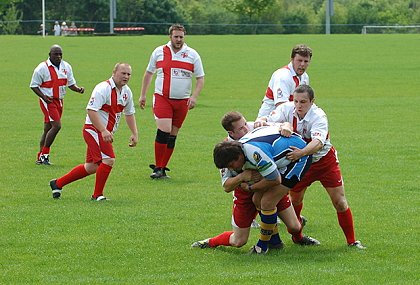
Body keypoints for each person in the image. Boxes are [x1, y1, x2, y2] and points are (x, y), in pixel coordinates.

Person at [192, 112, 319, 254]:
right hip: (244, 192)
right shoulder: (225, 152)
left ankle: (278, 242)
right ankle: (210, 242)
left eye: (245, 124)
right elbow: (226, 186)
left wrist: (287, 126)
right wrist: (243, 177)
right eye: (241, 128)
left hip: (270, 180)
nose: (246, 129)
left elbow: (281, 127)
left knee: (292, 224)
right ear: (231, 133)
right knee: (238, 240)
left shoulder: (252, 136)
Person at [262, 84, 366, 249]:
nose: (298, 105)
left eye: (303, 102)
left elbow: (318, 143)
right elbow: (266, 122)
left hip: (324, 162)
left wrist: (301, 153)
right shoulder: (286, 109)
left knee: (339, 201)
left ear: (312, 102)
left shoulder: (318, 116)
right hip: (302, 164)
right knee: (295, 199)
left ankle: (352, 241)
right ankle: (298, 237)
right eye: (296, 101)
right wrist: (275, 124)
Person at [49, 63, 138, 201]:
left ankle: (57, 183)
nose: (126, 76)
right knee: (108, 160)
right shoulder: (103, 88)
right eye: (123, 73)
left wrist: (134, 133)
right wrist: (103, 130)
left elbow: (129, 113)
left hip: (103, 132)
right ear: (114, 72)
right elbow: (91, 110)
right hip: (94, 130)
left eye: (128, 74)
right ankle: (97, 195)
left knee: (92, 167)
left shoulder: (127, 92)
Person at [139, 23, 205, 179]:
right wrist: (143, 94)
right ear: (170, 36)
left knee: (173, 134)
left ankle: (161, 168)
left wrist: (194, 96)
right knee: (165, 129)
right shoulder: (159, 52)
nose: (178, 39)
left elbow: (200, 78)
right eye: (176, 36)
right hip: (162, 98)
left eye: (181, 37)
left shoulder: (192, 54)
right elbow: (148, 73)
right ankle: (157, 167)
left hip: (182, 101)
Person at [30, 44, 85, 165]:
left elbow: (70, 84)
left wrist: (78, 89)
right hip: (48, 101)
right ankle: (45, 155)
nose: (58, 56)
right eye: (55, 54)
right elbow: (33, 85)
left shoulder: (66, 66)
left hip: (59, 101)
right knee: (57, 126)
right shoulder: (42, 68)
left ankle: (40, 156)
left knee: (48, 128)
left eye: (60, 54)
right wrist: (44, 97)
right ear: (49, 55)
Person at [256, 44, 312, 119]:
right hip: (269, 120)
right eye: (299, 60)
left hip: (289, 119)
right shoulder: (283, 76)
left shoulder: (305, 77)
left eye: (306, 61)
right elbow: (281, 106)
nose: (302, 64)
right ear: (292, 59)